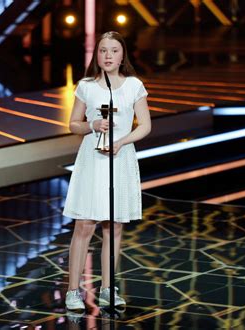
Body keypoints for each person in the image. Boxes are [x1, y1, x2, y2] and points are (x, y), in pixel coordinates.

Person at [63, 31, 151, 311]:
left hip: (121, 159)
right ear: (97, 55)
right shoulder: (87, 86)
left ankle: (107, 289)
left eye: (114, 50)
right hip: (92, 161)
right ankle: (73, 291)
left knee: (113, 227)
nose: (108, 55)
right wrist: (92, 125)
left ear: (123, 54)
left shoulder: (134, 85)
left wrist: (121, 142)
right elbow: (73, 124)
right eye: (103, 51)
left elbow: (145, 126)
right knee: (84, 226)